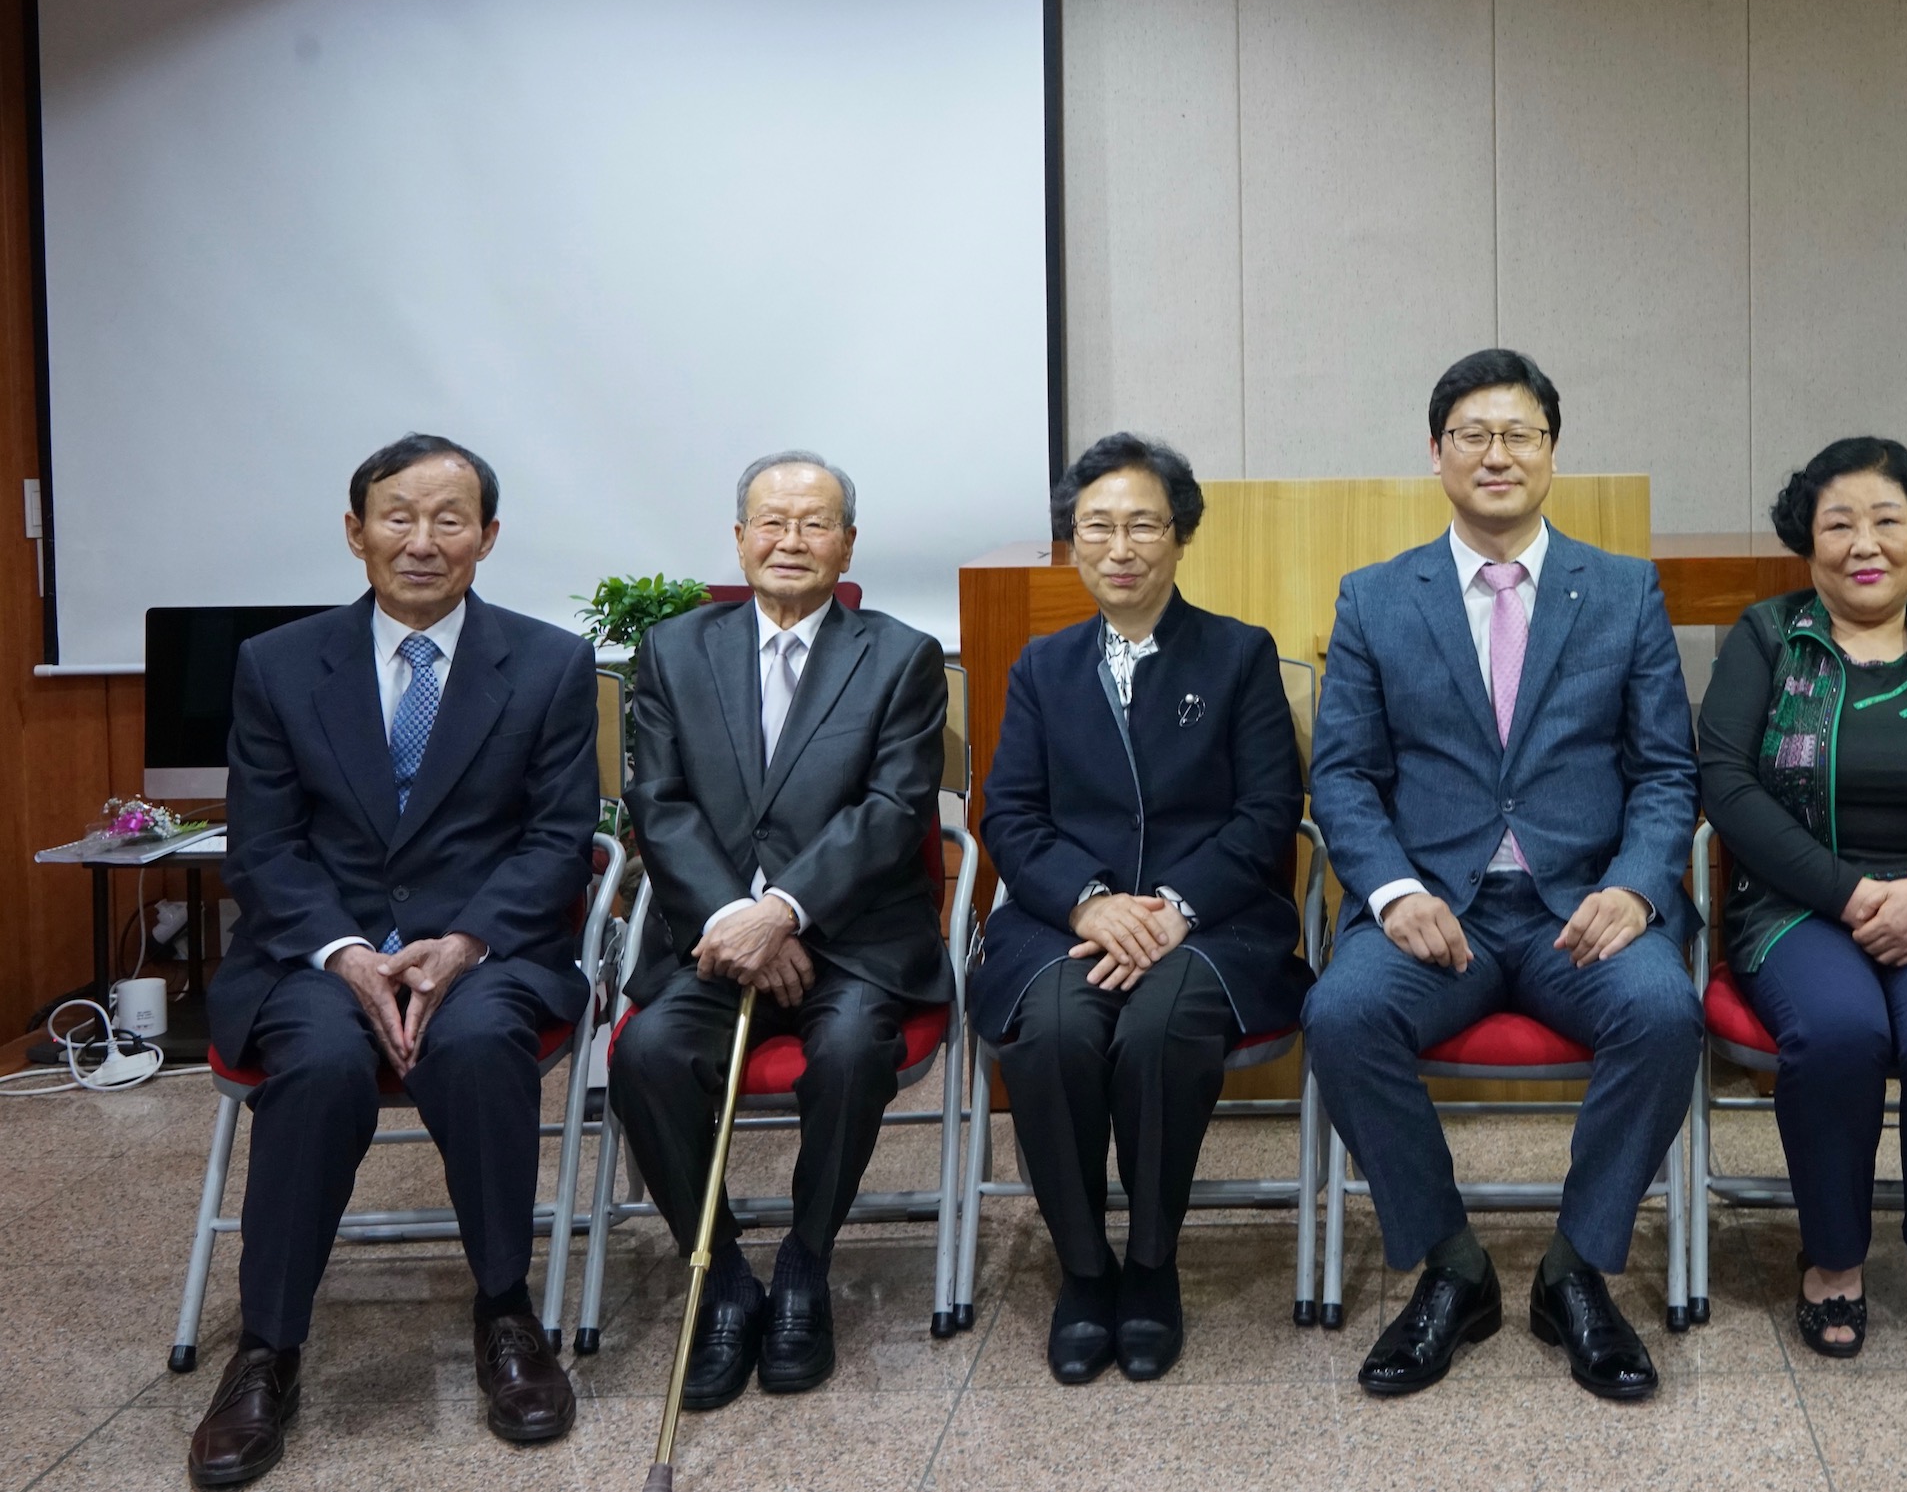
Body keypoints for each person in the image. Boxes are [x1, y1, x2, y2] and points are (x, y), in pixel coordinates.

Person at [191, 435, 597, 1489]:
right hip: (313, 951)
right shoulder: (279, 664)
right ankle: (267, 1349)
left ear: (487, 537)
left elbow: (559, 839)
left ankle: (506, 1313)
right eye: (398, 516)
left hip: (486, 945)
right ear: (356, 530)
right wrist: (343, 950)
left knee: (480, 1046)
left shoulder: (549, 663)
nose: (423, 541)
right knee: (322, 1064)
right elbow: (264, 845)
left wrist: (462, 942)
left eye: (449, 519)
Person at [1304, 349, 1703, 1404]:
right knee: (1342, 1014)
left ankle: (1576, 1269)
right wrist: (1394, 892)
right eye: (1472, 435)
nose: (1496, 454)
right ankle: (1453, 1265)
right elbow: (1342, 775)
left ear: (1551, 452)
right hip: (1437, 912)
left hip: (1586, 909)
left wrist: (1637, 885)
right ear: (1436, 453)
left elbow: (1667, 769)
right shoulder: (1376, 598)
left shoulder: (1623, 590)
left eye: (1518, 433)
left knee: (1664, 1012)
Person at [605, 452, 950, 1409]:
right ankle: (719, 1274)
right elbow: (658, 801)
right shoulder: (674, 649)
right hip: (712, 938)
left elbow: (893, 809)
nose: (790, 540)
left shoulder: (902, 656)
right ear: (739, 537)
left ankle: (806, 1259)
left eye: (814, 523)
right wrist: (734, 917)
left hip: (852, 939)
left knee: (850, 1050)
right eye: (771, 521)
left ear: (848, 543)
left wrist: (785, 910)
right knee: (646, 1056)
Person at [972, 433, 1308, 1386]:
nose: (1119, 548)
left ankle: (1153, 1263)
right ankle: (1085, 1269)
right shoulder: (1043, 665)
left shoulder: (1238, 654)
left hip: (1212, 920)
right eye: (1097, 527)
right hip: (1065, 919)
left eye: (1142, 525)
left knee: (1162, 1027)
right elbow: (1012, 814)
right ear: (1073, 542)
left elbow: (1267, 811)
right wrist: (1089, 904)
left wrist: (1173, 906)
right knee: (1054, 1029)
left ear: (1180, 535)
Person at [1699, 437, 1907, 1360]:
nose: (1865, 542)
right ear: (1806, 540)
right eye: (1839, 523)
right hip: (1798, 904)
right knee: (1838, 1031)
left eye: (1887, 520)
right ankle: (1834, 1258)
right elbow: (1725, 783)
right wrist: (1849, 892)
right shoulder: (1767, 635)